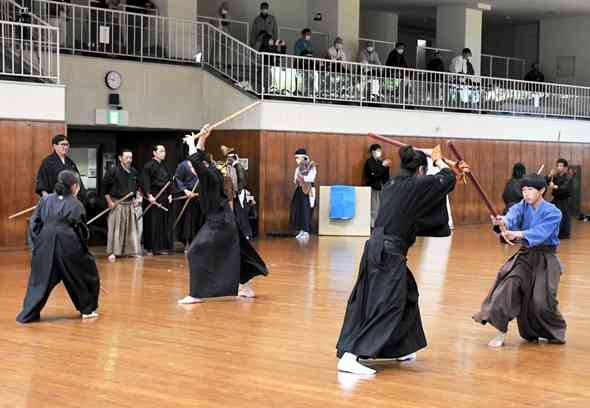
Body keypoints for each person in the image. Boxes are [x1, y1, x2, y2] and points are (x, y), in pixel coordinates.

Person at [336, 146, 467, 375]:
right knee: (387, 303)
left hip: (378, 248)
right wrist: (441, 163)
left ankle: (398, 347)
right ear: (420, 170)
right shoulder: (415, 186)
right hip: (389, 253)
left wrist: (450, 169)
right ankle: (351, 356)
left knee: (407, 296)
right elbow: (444, 179)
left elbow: (442, 181)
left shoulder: (393, 184)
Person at [473, 174, 567, 348]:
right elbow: (511, 217)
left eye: (530, 189)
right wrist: (503, 222)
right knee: (506, 289)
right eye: (523, 189)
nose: (526, 193)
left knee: (541, 301)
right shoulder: (521, 206)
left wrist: (518, 234)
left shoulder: (554, 212)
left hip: (546, 258)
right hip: (525, 257)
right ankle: (501, 332)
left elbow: (541, 232)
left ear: (541, 191)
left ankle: (551, 331)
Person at [177, 127, 268, 305]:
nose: (192, 169)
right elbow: (200, 158)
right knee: (233, 251)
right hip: (224, 219)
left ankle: (196, 294)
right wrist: (203, 138)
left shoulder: (209, 175)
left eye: (192, 167)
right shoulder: (212, 170)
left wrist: (190, 144)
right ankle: (246, 288)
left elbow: (196, 160)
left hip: (219, 221)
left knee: (194, 251)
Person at [16, 170, 100, 323]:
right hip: (68, 243)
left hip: (45, 242)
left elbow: (34, 223)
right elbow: (81, 229)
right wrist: (83, 247)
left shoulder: (45, 200)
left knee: (40, 279)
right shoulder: (76, 204)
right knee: (82, 273)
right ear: (74, 186)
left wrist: (38, 244)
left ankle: (28, 314)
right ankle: (87, 309)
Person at [103, 149, 141, 262]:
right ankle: (113, 252)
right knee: (116, 229)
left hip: (129, 204)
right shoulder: (113, 171)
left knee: (130, 229)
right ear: (120, 158)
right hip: (117, 203)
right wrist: (109, 202)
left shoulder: (134, 172)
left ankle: (130, 251)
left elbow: (137, 188)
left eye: (130, 157)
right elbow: (105, 188)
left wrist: (136, 199)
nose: (129, 160)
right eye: (126, 157)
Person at [141, 144, 173, 256]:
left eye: (164, 151)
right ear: (154, 153)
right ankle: (150, 248)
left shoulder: (166, 166)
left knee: (162, 223)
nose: (163, 153)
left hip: (163, 197)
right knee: (152, 223)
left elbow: (170, 181)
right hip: (153, 197)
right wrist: (149, 195)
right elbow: (145, 182)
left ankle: (161, 247)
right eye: (160, 151)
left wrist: (170, 194)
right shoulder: (148, 166)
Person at [36, 134, 86, 202]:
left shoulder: (70, 163)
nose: (65, 147)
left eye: (67, 144)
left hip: (69, 200)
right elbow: (42, 183)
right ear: (55, 146)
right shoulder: (47, 162)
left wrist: (76, 196)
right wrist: (47, 200)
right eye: (62, 144)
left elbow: (77, 181)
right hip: (54, 200)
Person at [221, 146, 253, 239]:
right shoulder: (236, 166)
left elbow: (242, 181)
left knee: (241, 213)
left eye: (229, 159)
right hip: (237, 193)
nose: (228, 160)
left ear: (232, 158)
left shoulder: (238, 166)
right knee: (239, 213)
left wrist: (236, 191)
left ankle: (246, 233)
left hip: (239, 193)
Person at [174, 159, 202, 252]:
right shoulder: (183, 165)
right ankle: (189, 243)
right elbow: (177, 178)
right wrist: (185, 190)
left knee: (199, 220)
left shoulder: (201, 164)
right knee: (189, 221)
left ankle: (199, 244)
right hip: (188, 196)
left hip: (200, 197)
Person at [289, 148, 317, 241]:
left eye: (298, 157)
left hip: (308, 190)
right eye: (295, 158)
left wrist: (302, 178)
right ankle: (301, 230)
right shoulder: (297, 168)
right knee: (298, 209)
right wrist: (298, 180)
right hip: (299, 189)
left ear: (303, 157)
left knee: (306, 210)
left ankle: (306, 231)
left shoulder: (311, 166)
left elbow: (311, 178)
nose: (296, 160)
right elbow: (295, 179)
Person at [364, 144, 391, 228]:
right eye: (378, 151)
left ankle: (379, 225)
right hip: (373, 187)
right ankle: (372, 225)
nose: (380, 152)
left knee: (380, 208)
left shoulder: (380, 162)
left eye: (380, 151)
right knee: (374, 208)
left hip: (381, 188)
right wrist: (383, 166)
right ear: (372, 152)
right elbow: (374, 175)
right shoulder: (369, 162)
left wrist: (386, 167)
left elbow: (384, 176)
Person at [548, 158, 574, 239]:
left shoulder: (568, 177)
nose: (559, 167)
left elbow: (565, 188)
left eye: (561, 166)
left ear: (565, 168)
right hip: (556, 199)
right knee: (552, 215)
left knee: (563, 217)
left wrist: (555, 186)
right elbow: (547, 182)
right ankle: (553, 233)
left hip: (564, 200)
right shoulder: (556, 176)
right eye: (558, 166)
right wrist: (550, 175)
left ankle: (563, 234)